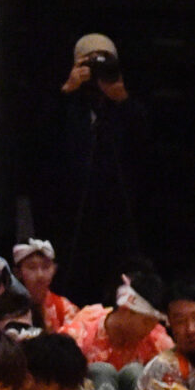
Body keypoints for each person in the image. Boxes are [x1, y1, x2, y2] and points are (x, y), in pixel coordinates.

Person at [41, 33, 150, 303]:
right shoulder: (67, 103)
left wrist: (122, 99)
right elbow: (41, 140)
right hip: (71, 214)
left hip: (118, 215)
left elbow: (145, 148)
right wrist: (68, 89)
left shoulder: (124, 106)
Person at [10, 240, 81, 334]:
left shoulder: (65, 308)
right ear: (17, 272)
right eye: (32, 267)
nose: (40, 275)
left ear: (54, 269)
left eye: (46, 267)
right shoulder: (7, 308)